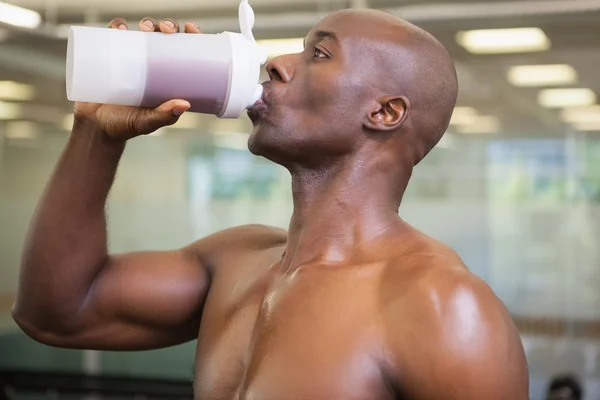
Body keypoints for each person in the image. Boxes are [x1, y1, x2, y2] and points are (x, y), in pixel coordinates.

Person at [12, 10, 529, 400]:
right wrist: (97, 135)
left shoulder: (442, 307)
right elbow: (57, 313)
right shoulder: (236, 262)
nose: (275, 63)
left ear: (385, 111)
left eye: (318, 54)